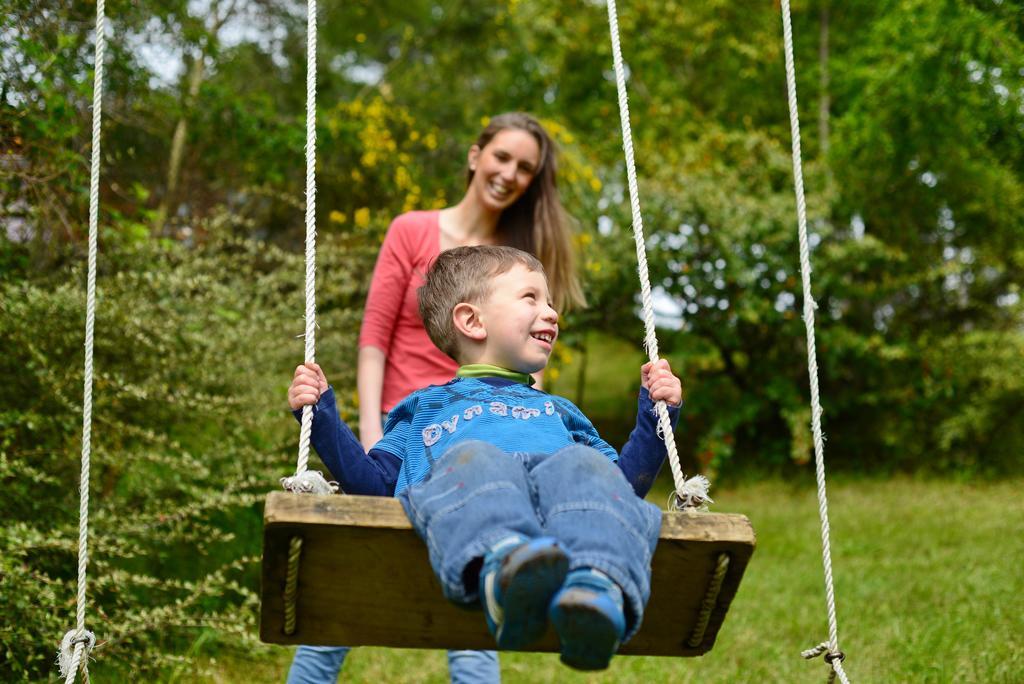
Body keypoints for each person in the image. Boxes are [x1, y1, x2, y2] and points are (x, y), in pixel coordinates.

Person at [288, 113, 585, 683]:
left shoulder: (513, 263)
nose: (510, 174)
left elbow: (525, 370)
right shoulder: (413, 231)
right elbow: (375, 337)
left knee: (477, 590)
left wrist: (530, 432)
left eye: (526, 168)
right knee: (350, 589)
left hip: (481, 440)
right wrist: (374, 433)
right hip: (404, 430)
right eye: (502, 157)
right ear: (476, 155)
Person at [287, 246, 683, 671]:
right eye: (531, 298)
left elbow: (616, 490)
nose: (551, 313)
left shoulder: (562, 413)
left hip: (563, 533)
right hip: (459, 540)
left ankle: (593, 590)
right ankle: (506, 569)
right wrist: (322, 417)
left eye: (549, 301)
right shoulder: (424, 408)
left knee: (583, 466)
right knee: (475, 458)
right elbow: (374, 486)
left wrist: (656, 415)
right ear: (472, 321)